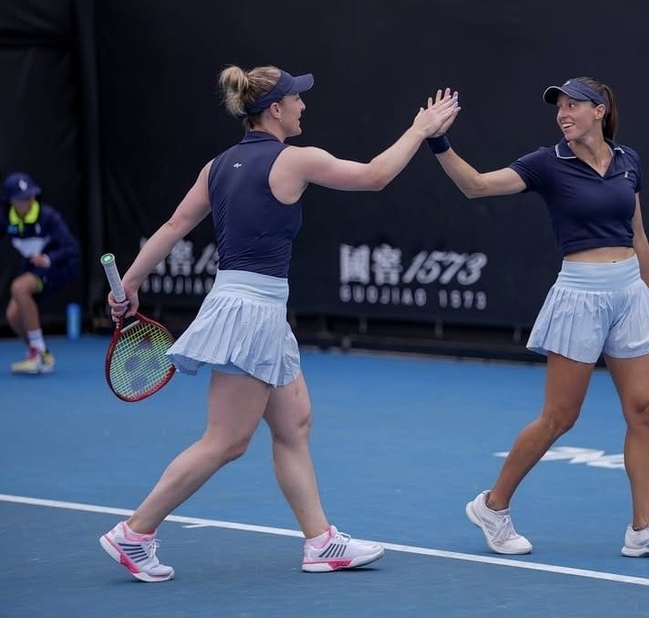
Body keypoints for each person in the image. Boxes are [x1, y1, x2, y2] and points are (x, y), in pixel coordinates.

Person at [98, 64, 460, 582]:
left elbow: (176, 225)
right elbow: (376, 175)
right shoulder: (296, 160)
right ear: (275, 109)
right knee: (225, 441)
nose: (303, 106)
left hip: (256, 309)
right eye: (297, 99)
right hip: (249, 311)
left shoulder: (217, 165)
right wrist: (421, 130)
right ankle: (135, 534)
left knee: (294, 423)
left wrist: (130, 281)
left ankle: (320, 543)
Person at [427, 77, 649, 560]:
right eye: (560, 106)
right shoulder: (546, 164)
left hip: (632, 296)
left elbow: (638, 233)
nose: (564, 113)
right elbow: (476, 187)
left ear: (600, 110)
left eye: (574, 104)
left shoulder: (628, 161)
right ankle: (493, 506)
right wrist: (439, 141)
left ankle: (644, 528)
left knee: (644, 410)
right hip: (580, 296)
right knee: (560, 417)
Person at [3, 172, 80, 374]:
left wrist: (47, 259)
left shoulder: (48, 216)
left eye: (31, 196)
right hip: (33, 269)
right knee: (12, 315)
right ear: (11, 200)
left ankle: (38, 353)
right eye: (22, 198)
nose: (28, 201)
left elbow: (71, 248)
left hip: (58, 268)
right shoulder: (6, 219)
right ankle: (40, 355)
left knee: (19, 288)